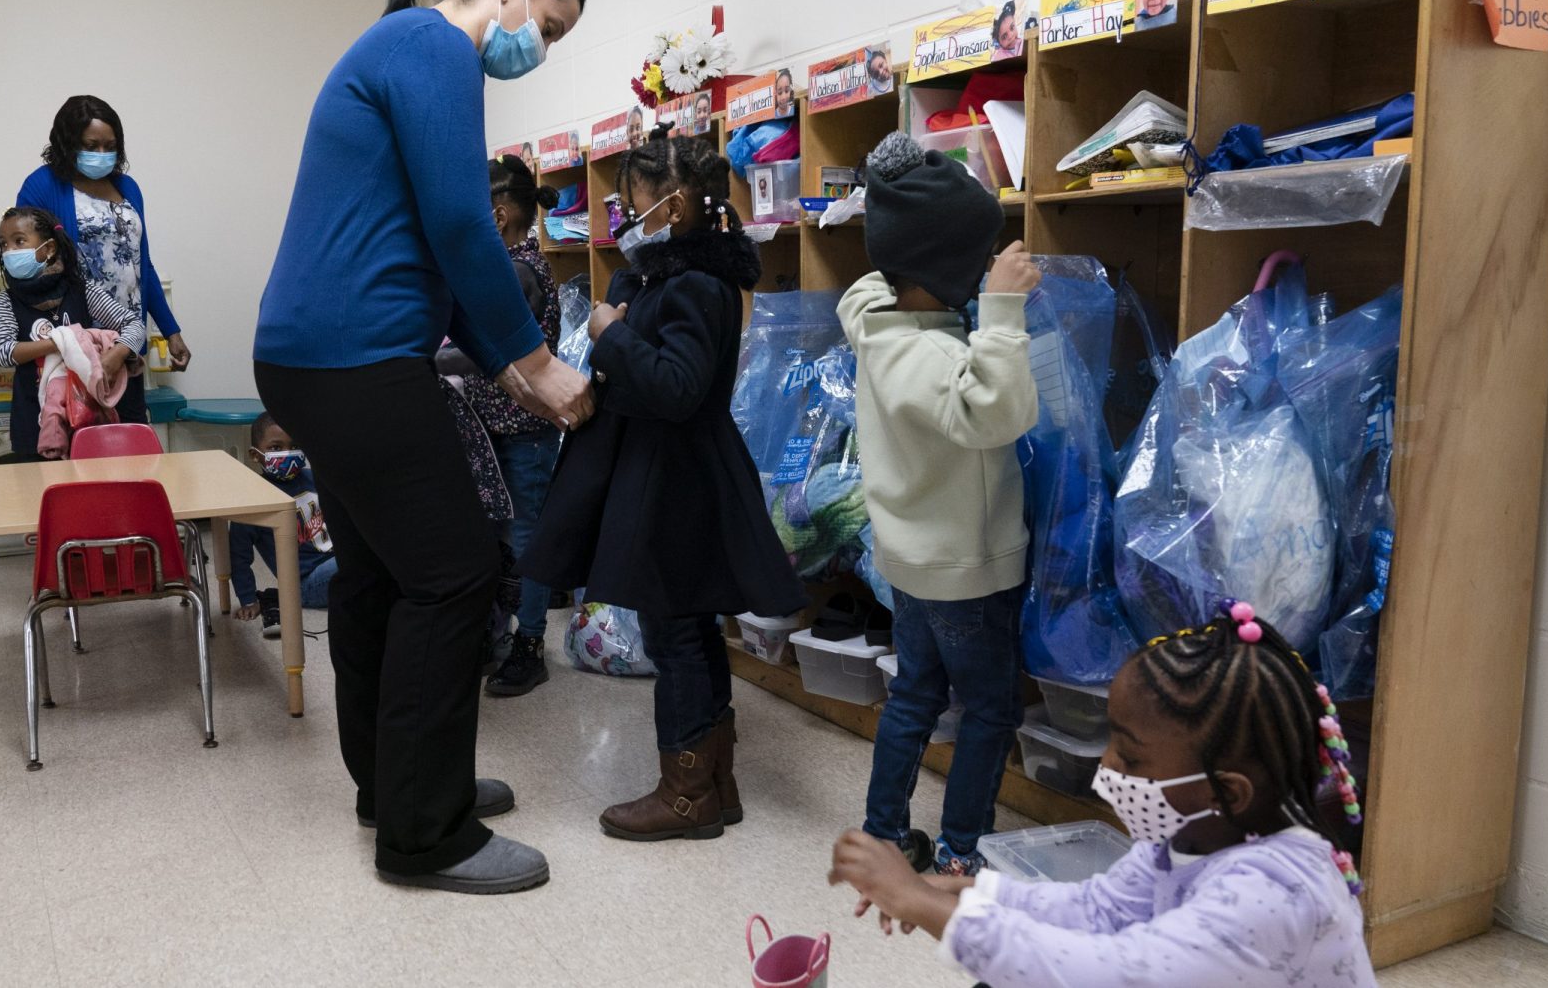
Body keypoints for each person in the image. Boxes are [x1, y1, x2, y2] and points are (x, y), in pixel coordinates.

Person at [252, 0, 593, 897]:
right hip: (354, 358)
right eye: (553, 29)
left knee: (380, 575)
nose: (544, 49)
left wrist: (515, 371)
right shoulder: (436, 45)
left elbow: (441, 260)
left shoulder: (399, 46)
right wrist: (538, 360)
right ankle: (425, 833)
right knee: (453, 574)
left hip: (316, 355)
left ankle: (396, 786)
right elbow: (460, 222)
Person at [829, 604, 1376, 988]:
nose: (1106, 768)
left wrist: (920, 904)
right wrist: (961, 894)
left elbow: (1117, 973)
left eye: (1132, 757)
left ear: (1226, 791)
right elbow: (1099, 908)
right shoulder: (1191, 835)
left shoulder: (1271, 897)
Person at [523, 131, 805, 843]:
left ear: (675, 208)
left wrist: (611, 333)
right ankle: (713, 781)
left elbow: (678, 390)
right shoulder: (656, 278)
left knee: (676, 631)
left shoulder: (699, 288)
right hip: (658, 472)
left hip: (679, 481)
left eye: (636, 203)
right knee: (686, 627)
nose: (625, 216)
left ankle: (686, 796)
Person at [839, 131, 1040, 876]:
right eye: (978, 259)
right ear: (952, 272)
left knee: (916, 694)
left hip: (909, 562)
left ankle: (884, 832)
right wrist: (1002, 310)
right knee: (989, 708)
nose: (987, 267)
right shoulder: (931, 359)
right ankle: (961, 853)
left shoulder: (873, 318)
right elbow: (996, 411)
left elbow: (874, 277)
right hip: (967, 569)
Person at [432, 156, 565, 697]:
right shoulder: (506, 264)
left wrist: (428, 356)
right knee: (496, 541)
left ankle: (530, 646)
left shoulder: (519, 271)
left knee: (525, 541)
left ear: (499, 214)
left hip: (525, 432)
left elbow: (485, 350)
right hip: (496, 429)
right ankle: (498, 635)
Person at [16, 95, 188, 427]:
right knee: (80, 449)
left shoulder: (128, 188)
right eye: (90, 145)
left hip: (127, 343)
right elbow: (32, 265)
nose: (101, 155)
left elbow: (141, 266)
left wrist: (171, 330)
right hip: (78, 348)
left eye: (109, 146)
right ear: (67, 144)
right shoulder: (42, 186)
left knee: (132, 443)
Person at [0, 207, 142, 462]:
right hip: (33, 424)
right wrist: (61, 341)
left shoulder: (82, 291)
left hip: (86, 418)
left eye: (19, 241)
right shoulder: (6, 301)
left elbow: (132, 325)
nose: (9, 251)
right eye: (4, 245)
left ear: (48, 249)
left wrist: (118, 353)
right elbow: (1, 352)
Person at [230, 412, 338, 639]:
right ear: (255, 455)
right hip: (303, 584)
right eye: (276, 448)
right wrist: (248, 599)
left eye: (295, 445)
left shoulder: (314, 477)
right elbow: (239, 555)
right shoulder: (253, 498)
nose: (287, 453)